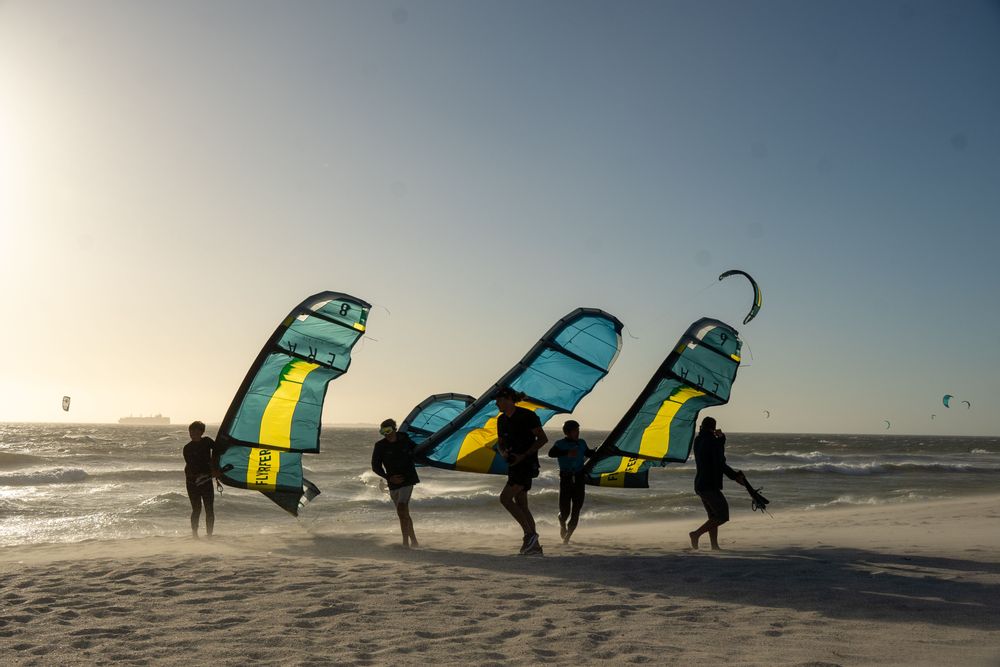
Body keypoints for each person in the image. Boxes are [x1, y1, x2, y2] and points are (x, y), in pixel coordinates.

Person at [495, 387, 548, 556]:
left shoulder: (527, 416)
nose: (497, 403)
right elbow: (500, 442)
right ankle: (535, 546)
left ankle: (530, 535)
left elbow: (542, 439)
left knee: (504, 498)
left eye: (499, 400)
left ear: (509, 399)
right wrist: (503, 452)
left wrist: (523, 455)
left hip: (526, 464)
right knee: (522, 504)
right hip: (513, 465)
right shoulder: (501, 420)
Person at [689, 416, 746, 550]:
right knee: (722, 515)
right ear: (714, 428)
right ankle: (696, 534)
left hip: (700, 484)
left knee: (713, 516)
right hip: (709, 485)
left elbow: (714, 458)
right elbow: (720, 462)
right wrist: (735, 476)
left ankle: (714, 545)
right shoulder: (712, 442)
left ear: (701, 426)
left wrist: (719, 440)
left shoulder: (698, 440)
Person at [371, 418, 420, 548]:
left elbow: (420, 452)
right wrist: (389, 478)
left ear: (395, 429)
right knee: (402, 514)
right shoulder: (380, 446)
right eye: (383, 432)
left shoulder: (406, 440)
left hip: (408, 480)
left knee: (402, 507)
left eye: (389, 430)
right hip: (393, 482)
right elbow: (375, 466)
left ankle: (405, 543)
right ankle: (414, 540)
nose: (387, 434)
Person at [547, 420, 595, 544]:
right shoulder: (560, 444)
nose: (578, 432)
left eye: (578, 430)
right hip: (566, 479)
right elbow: (551, 453)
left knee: (577, 509)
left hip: (579, 479)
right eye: (575, 430)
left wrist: (598, 450)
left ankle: (568, 537)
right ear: (568, 432)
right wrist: (566, 453)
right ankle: (562, 521)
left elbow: (589, 453)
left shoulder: (582, 443)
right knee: (565, 511)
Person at [183, 420, 218, 539]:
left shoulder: (207, 441)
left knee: (209, 508)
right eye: (191, 431)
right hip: (192, 482)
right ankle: (195, 534)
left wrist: (216, 468)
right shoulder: (187, 448)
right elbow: (192, 465)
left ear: (201, 432)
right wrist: (205, 474)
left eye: (195, 431)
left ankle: (209, 534)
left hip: (206, 481)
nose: (192, 433)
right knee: (196, 509)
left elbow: (219, 450)